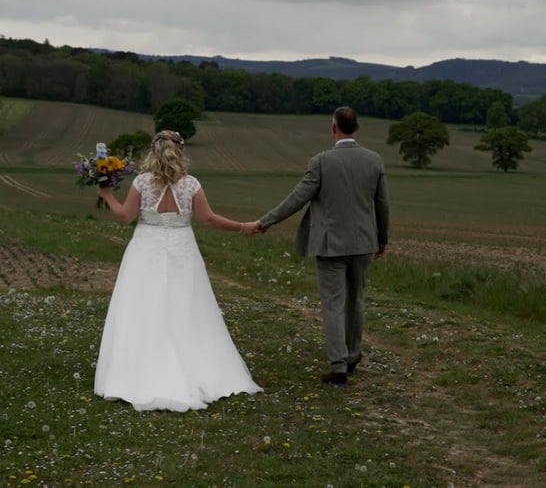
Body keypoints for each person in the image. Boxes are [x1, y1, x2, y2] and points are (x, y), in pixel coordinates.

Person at [94, 130, 262, 411]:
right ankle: (192, 366)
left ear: (153, 152)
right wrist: (243, 226)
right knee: (185, 306)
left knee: (142, 306)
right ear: (179, 152)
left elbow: (125, 216)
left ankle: (136, 370)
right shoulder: (191, 185)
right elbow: (209, 219)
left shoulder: (141, 182)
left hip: (146, 248)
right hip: (183, 249)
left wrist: (107, 195)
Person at [256, 106, 390, 386]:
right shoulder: (374, 160)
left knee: (333, 304)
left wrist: (266, 221)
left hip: (330, 245)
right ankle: (353, 354)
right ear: (357, 128)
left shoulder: (321, 162)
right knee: (356, 300)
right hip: (364, 242)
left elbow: (297, 198)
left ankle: (338, 366)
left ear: (333, 128)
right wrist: (382, 239)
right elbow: (382, 204)